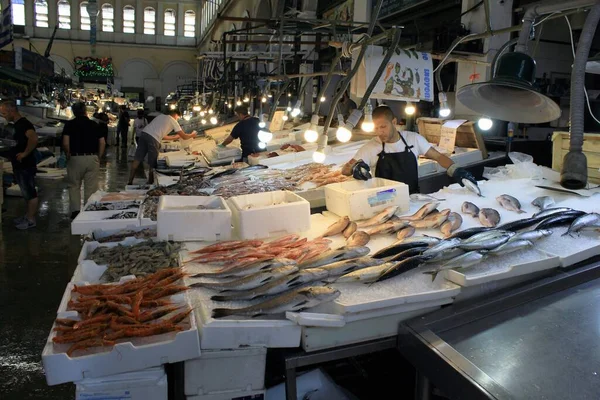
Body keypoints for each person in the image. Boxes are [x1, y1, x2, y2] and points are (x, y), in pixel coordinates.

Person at [341, 106, 476, 193]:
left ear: (394, 122)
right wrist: (355, 168)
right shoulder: (370, 147)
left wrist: (455, 170)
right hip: (384, 200)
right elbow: (345, 170)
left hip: (412, 196)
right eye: (376, 128)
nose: (379, 132)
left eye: (383, 127)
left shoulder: (413, 139)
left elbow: (438, 157)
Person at [128, 109, 196, 185]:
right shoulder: (173, 120)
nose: (178, 119)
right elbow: (184, 137)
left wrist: (174, 137)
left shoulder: (161, 116)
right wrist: (193, 134)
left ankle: (130, 181)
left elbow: (162, 136)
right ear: (176, 115)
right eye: (178, 118)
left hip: (144, 134)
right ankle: (150, 182)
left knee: (137, 159)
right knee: (152, 162)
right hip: (153, 139)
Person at [62, 102, 106, 219]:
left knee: (74, 185)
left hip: (75, 158)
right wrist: (99, 156)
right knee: (91, 187)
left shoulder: (69, 125)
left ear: (74, 112)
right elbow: (102, 142)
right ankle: (89, 210)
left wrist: (68, 153)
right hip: (92, 158)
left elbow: (66, 143)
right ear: (86, 111)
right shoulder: (95, 125)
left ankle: (76, 212)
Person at [0, 100, 39, 230]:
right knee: (25, 192)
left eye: (5, 113)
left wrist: (24, 153)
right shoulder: (16, 124)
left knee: (30, 192)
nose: (4, 116)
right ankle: (27, 215)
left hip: (25, 165)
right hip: (19, 164)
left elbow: (33, 139)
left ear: (12, 111)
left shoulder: (23, 124)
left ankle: (31, 220)